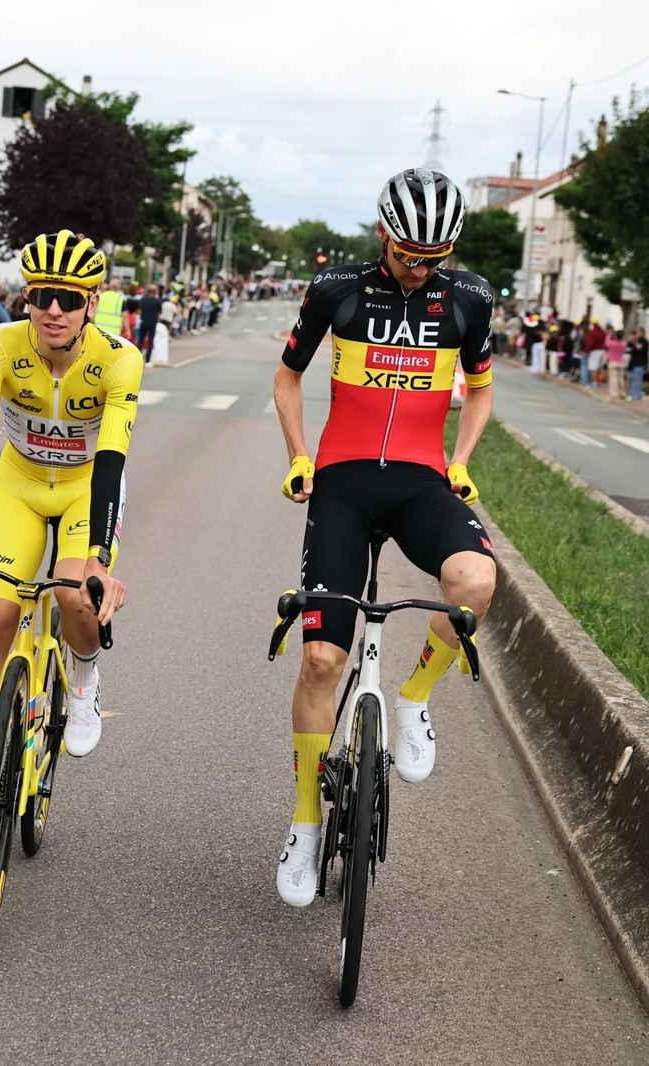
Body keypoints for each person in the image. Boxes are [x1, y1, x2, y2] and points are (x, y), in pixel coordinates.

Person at [272, 168, 496, 906]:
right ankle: (305, 821)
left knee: (476, 582)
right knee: (319, 659)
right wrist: (299, 454)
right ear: (383, 235)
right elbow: (287, 377)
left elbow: (483, 386)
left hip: (419, 483)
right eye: (407, 254)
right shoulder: (337, 287)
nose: (420, 268)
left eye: (434, 256)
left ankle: (412, 699)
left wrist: (460, 462)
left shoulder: (468, 300)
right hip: (340, 482)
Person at [0, 230, 136, 843]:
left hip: (84, 489)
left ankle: (86, 676)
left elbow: (114, 460)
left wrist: (96, 558)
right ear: (25, 297)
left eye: (69, 298)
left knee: (74, 595)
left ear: (91, 302)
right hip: (17, 482)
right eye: (42, 296)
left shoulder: (120, 358)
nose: (54, 310)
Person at [136, 284, 162, 362]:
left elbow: (139, 310)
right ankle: (148, 359)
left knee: (141, 340)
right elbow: (160, 311)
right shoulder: (157, 301)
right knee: (150, 341)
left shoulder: (143, 299)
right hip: (152, 322)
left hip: (143, 321)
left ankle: (138, 358)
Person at [605, 327, 628, 399]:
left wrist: (609, 334)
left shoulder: (612, 343)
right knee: (620, 378)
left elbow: (606, 342)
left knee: (613, 378)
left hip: (612, 362)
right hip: (620, 362)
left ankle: (614, 393)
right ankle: (622, 392)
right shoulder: (624, 343)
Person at [583, 318, 607, 388]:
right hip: (603, 351)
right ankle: (597, 382)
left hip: (595, 351)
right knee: (598, 367)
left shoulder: (593, 332)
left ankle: (594, 382)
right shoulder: (602, 332)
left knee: (593, 367)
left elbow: (590, 343)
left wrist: (586, 350)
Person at [629, 327, 647, 402]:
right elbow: (627, 342)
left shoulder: (644, 341)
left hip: (639, 363)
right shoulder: (636, 340)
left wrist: (635, 340)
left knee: (637, 380)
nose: (636, 334)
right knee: (635, 379)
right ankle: (634, 395)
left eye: (638, 332)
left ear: (642, 333)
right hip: (635, 363)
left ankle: (635, 396)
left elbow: (639, 348)